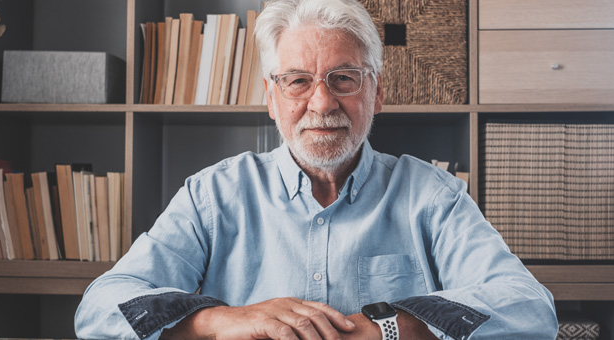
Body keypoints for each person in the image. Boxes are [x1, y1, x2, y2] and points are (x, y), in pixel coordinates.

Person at [75, 0, 559, 339]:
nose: (322, 102)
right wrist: (222, 321)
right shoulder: (213, 195)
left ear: (377, 93)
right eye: (298, 81)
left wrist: (385, 327)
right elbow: (99, 309)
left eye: (343, 78)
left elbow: (529, 308)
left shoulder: (432, 195)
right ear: (271, 97)